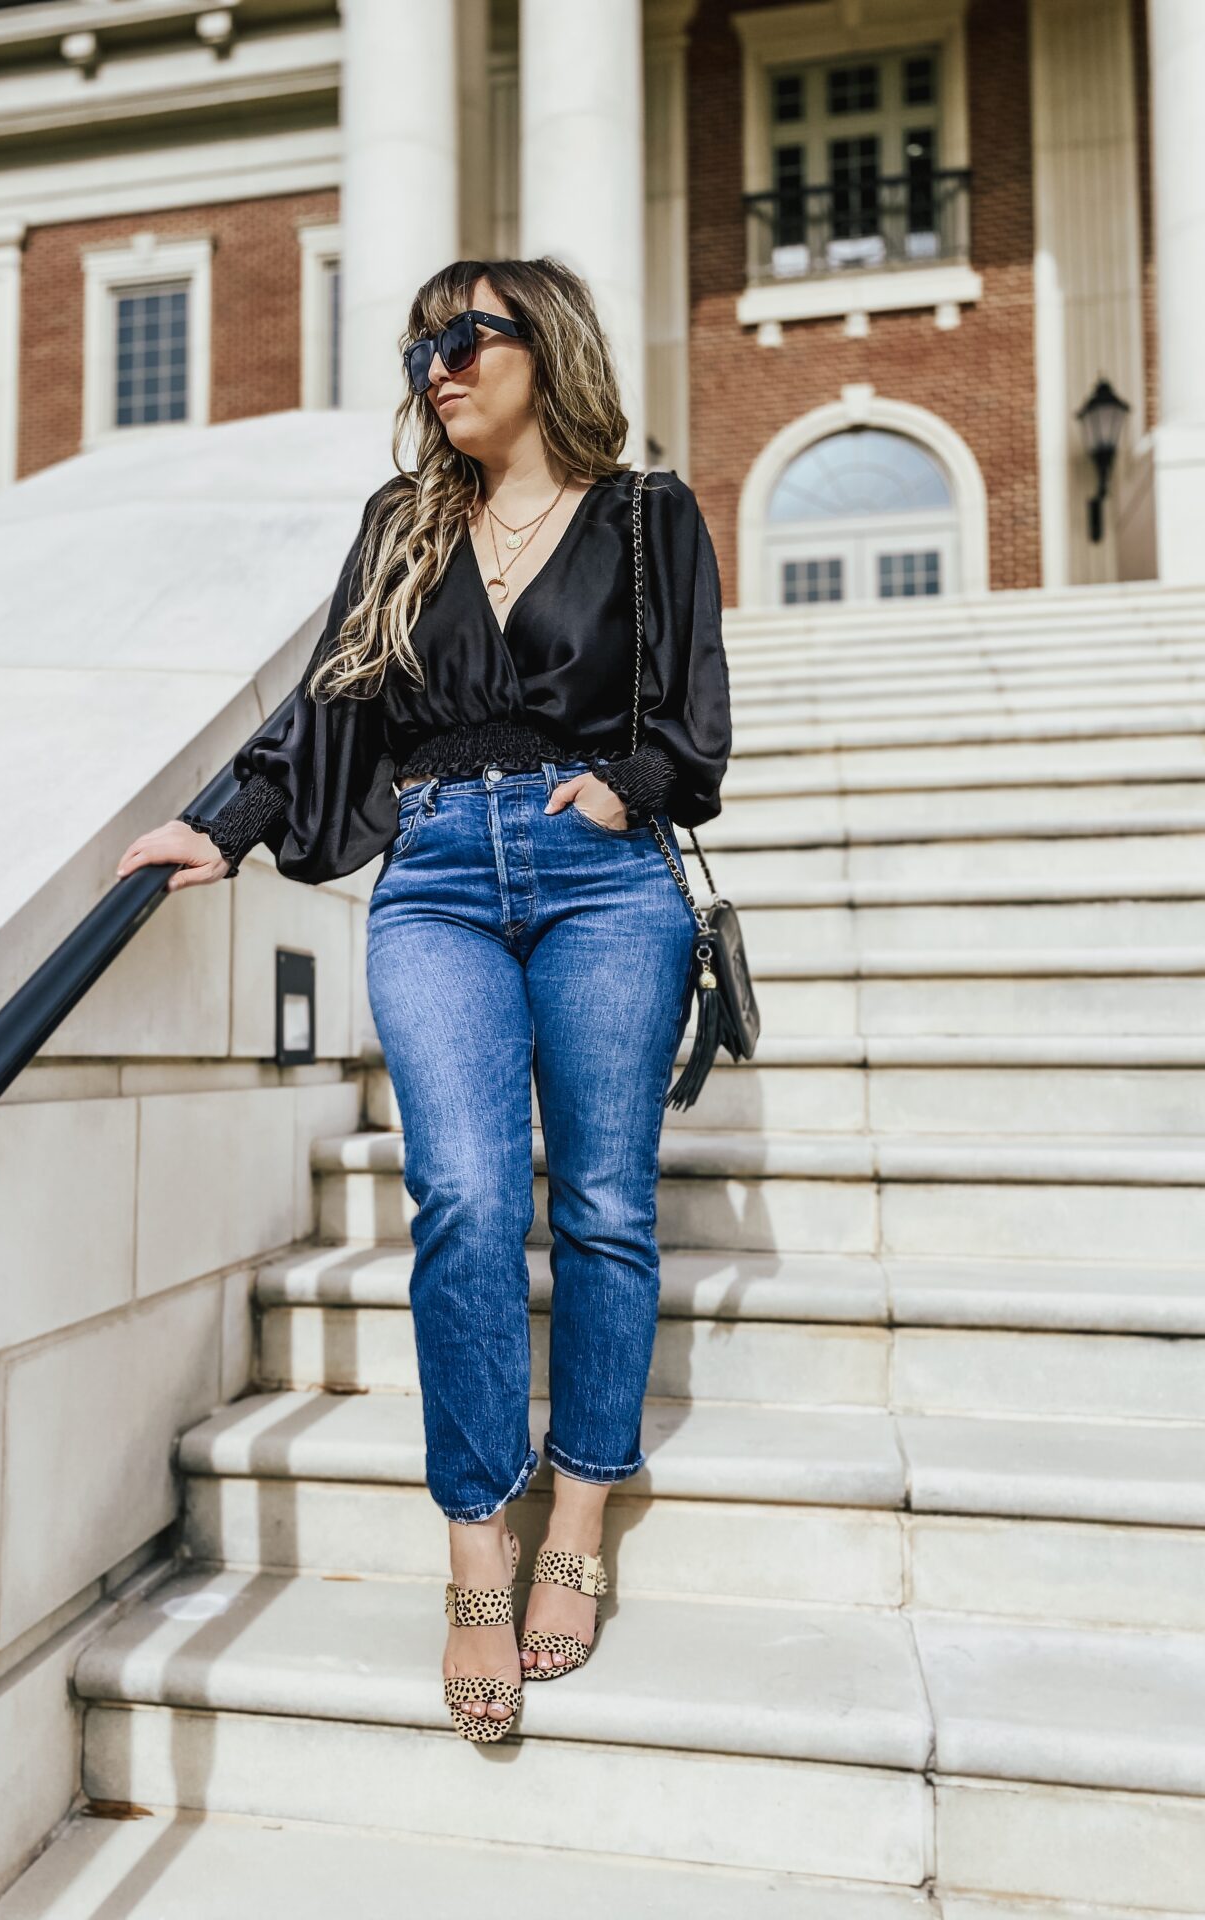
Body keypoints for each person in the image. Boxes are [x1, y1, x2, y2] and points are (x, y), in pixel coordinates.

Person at [117, 257, 732, 1744]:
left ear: (547, 349)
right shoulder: (404, 527)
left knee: (599, 1204)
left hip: (602, 876)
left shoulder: (648, 517)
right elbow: (329, 698)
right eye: (420, 351)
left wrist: (624, 791)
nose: (438, 368)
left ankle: (580, 1511)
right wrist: (228, 821)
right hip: (442, 875)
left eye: (467, 339)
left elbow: (698, 725)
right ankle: (478, 1540)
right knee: (460, 1197)